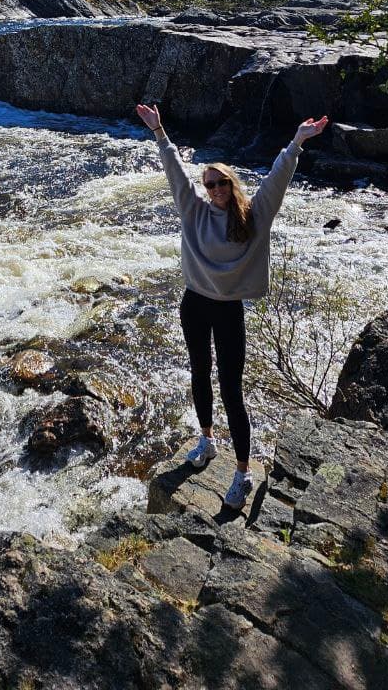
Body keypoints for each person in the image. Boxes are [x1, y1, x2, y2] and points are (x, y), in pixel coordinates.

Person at [136, 102, 328, 509]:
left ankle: (241, 473)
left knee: (232, 391)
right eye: (209, 184)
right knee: (199, 374)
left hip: (227, 311)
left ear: (232, 184)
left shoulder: (254, 216)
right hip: (194, 304)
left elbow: (277, 180)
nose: (215, 190)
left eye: (221, 183)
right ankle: (206, 441)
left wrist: (296, 142)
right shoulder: (193, 211)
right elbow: (174, 172)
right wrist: (159, 132)